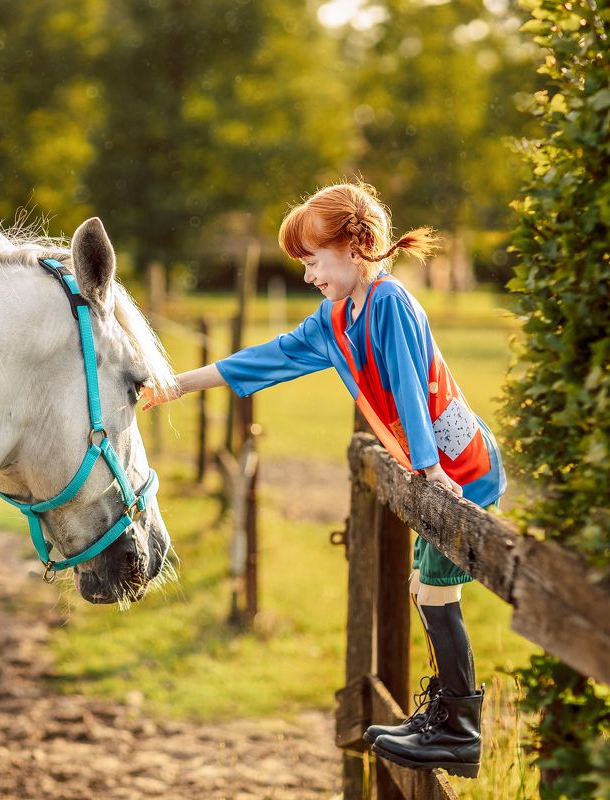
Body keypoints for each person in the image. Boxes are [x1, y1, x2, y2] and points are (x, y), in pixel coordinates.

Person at [142, 181, 506, 779]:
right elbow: (263, 359)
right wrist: (176, 384)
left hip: (462, 469)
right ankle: (444, 718)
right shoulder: (335, 319)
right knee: (427, 591)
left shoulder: (390, 302)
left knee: (436, 592)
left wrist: (431, 469)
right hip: (432, 471)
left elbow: (413, 389)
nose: (308, 275)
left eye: (313, 261)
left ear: (356, 245)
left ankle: (459, 729)